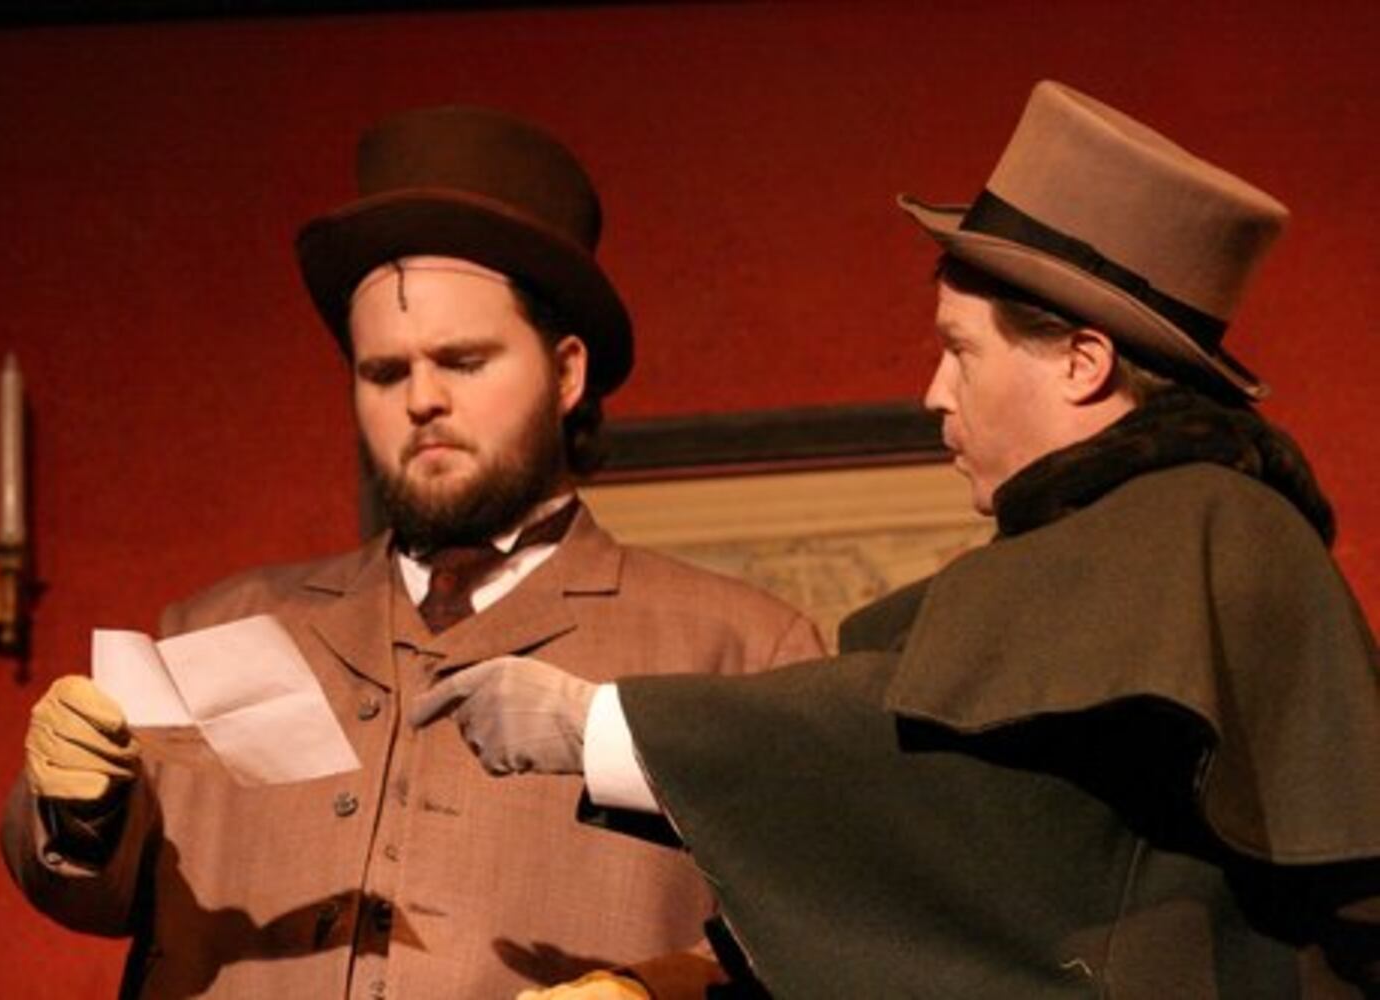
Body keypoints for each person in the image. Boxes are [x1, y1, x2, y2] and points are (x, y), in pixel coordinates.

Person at [413, 82, 1380, 997]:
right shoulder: (1144, 537)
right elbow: (1007, 849)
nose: (934, 393)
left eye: (960, 350)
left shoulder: (1189, 530)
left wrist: (592, 725)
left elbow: (915, 757)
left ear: (1082, 363)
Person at [0, 105, 824, 1000]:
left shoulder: (741, 653)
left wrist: (656, 994)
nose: (421, 399)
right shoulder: (214, 627)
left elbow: (822, 941)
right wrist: (74, 805)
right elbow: (87, 889)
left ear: (567, 371)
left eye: (463, 361)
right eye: (385, 372)